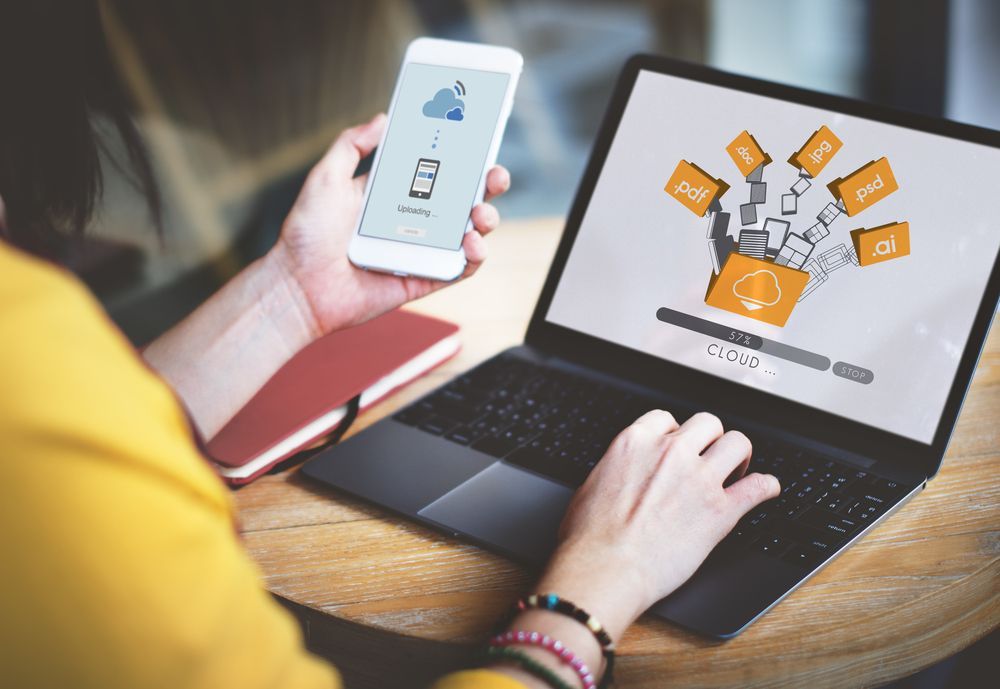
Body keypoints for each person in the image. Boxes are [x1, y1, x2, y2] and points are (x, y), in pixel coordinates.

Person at [0, 5, 779, 688]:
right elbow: (59, 449)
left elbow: (92, 419)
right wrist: (605, 574)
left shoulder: (32, 332)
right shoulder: (27, 371)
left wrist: (293, 293)